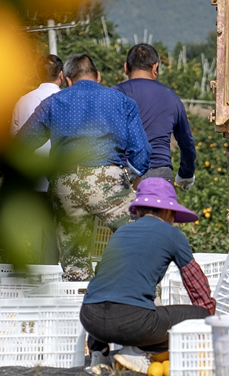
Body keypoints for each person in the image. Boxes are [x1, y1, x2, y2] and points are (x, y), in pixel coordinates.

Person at [17, 54, 152, 280]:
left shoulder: (52, 103)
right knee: (139, 238)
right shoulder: (122, 101)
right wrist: (130, 175)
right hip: (108, 178)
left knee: (74, 260)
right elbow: (142, 150)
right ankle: (138, 295)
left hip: (66, 183)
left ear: (68, 79)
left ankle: (77, 291)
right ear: (98, 76)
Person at [80, 178, 216, 374]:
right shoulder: (172, 234)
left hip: (90, 318)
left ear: (139, 211)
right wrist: (210, 317)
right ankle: (137, 349)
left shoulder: (121, 232)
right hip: (132, 322)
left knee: (109, 293)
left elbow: (104, 278)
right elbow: (195, 282)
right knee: (201, 314)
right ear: (169, 212)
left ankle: (98, 355)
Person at [114, 43, 197, 189]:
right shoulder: (171, 97)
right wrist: (186, 173)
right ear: (155, 67)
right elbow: (187, 143)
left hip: (124, 174)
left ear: (126, 68)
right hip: (160, 175)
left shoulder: (115, 94)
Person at [11, 54, 64, 264]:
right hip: (61, 180)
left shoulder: (22, 102)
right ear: (61, 75)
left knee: (35, 240)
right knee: (59, 238)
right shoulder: (67, 101)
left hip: (31, 182)